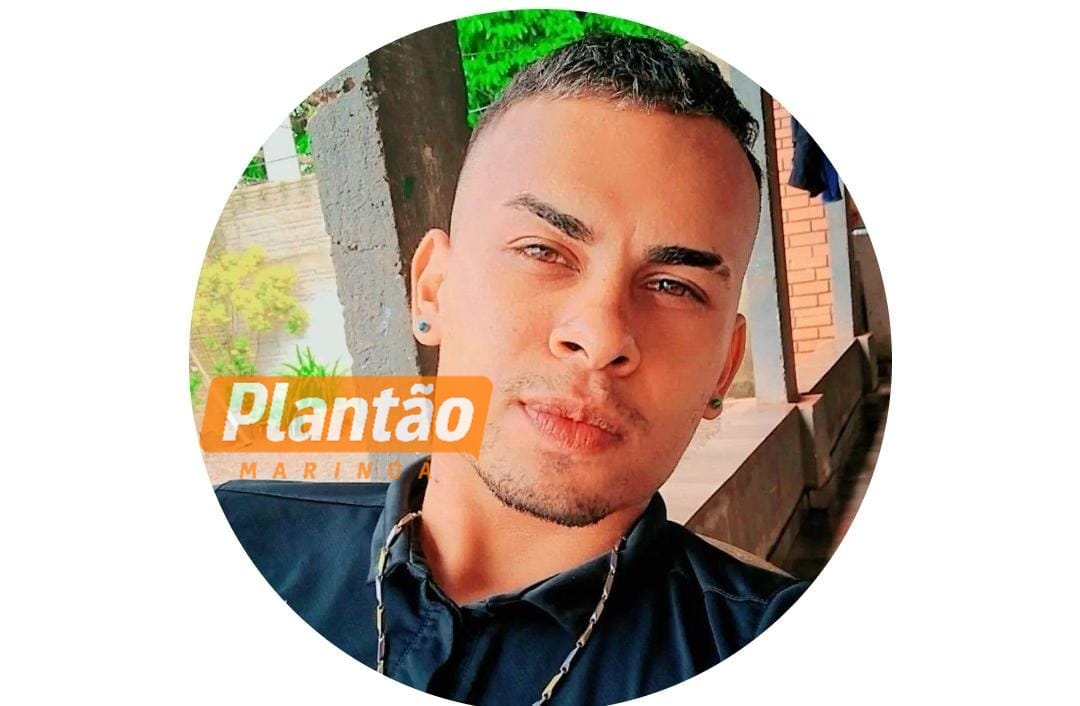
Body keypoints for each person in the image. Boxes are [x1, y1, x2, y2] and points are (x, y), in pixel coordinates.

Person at [216, 33, 809, 706]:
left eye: (674, 286)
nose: (600, 337)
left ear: (724, 369)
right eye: (542, 250)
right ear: (433, 291)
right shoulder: (240, 540)